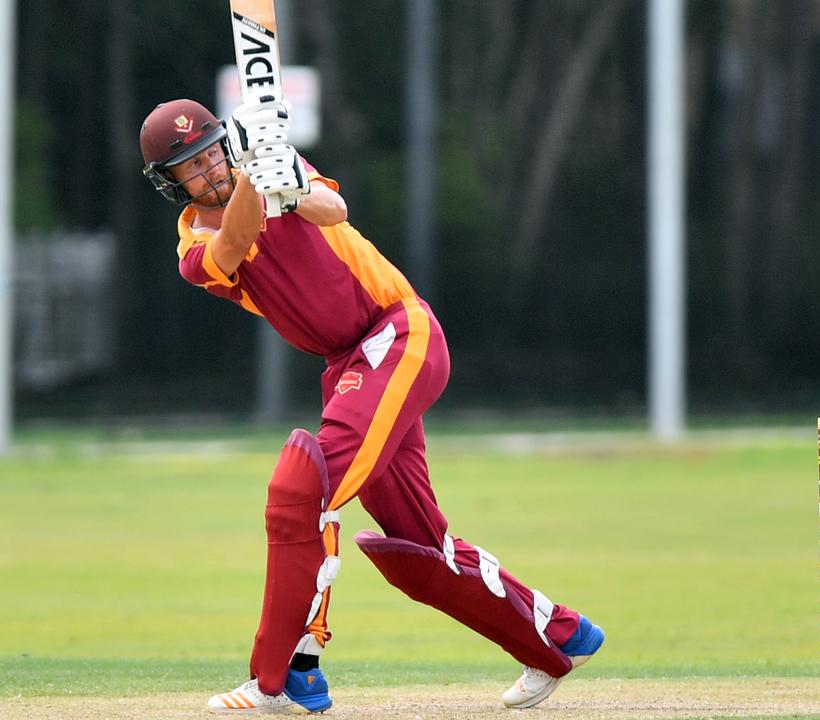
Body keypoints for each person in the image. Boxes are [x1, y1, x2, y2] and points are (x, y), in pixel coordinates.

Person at [138, 98, 604, 713]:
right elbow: (233, 244)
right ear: (171, 185)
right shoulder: (191, 250)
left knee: (306, 487)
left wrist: (282, 174)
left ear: (226, 144)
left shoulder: (273, 163)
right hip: (347, 367)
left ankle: (288, 672)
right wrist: (256, 173)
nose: (209, 170)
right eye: (190, 167)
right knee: (419, 552)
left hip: (397, 333)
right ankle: (559, 635)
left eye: (211, 153)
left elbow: (334, 209)